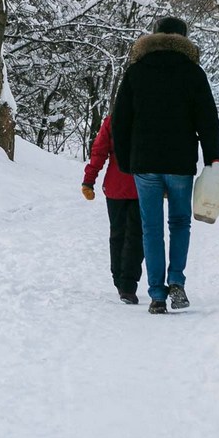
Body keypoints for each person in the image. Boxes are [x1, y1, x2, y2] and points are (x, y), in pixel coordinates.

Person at [110, 16, 219, 315]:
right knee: (180, 222)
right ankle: (177, 282)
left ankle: (157, 295)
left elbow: (120, 121)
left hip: (144, 162)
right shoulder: (193, 73)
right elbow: (208, 121)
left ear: (154, 36)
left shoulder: (136, 71)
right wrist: (213, 159)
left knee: (151, 228)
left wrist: (125, 160)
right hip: (179, 161)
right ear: (184, 38)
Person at [81, 116, 143, 304]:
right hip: (144, 188)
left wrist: (89, 180)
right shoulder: (148, 116)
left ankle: (120, 281)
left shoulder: (113, 120)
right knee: (136, 236)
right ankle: (127, 285)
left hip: (117, 187)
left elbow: (99, 151)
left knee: (118, 234)